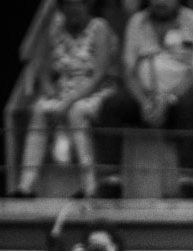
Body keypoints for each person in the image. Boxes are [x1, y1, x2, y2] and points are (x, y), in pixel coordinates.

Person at [93, 0, 193, 199]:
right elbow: (129, 71)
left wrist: (169, 97)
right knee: (111, 105)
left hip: (184, 94)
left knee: (187, 106)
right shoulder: (137, 22)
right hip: (145, 96)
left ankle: (188, 184)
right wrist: (144, 102)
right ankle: (111, 182)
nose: (160, 2)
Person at [12, 0, 118, 199]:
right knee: (39, 110)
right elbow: (42, 68)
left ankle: (90, 188)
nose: (73, 9)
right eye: (67, 5)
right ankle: (25, 187)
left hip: (95, 92)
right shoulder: (55, 29)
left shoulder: (99, 27)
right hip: (63, 91)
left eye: (77, 4)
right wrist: (49, 90)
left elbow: (99, 75)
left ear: (87, 5)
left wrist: (68, 102)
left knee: (76, 112)